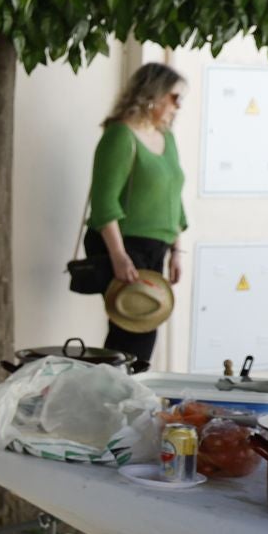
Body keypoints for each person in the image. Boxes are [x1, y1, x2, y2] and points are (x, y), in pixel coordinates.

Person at [86, 62, 187, 363]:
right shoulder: (120, 136)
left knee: (141, 329)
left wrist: (177, 250)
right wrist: (119, 256)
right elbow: (104, 203)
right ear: (153, 95)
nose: (178, 107)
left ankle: (121, 400)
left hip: (155, 247)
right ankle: (115, 401)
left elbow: (173, 196)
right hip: (124, 244)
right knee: (133, 331)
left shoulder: (166, 138)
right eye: (174, 97)